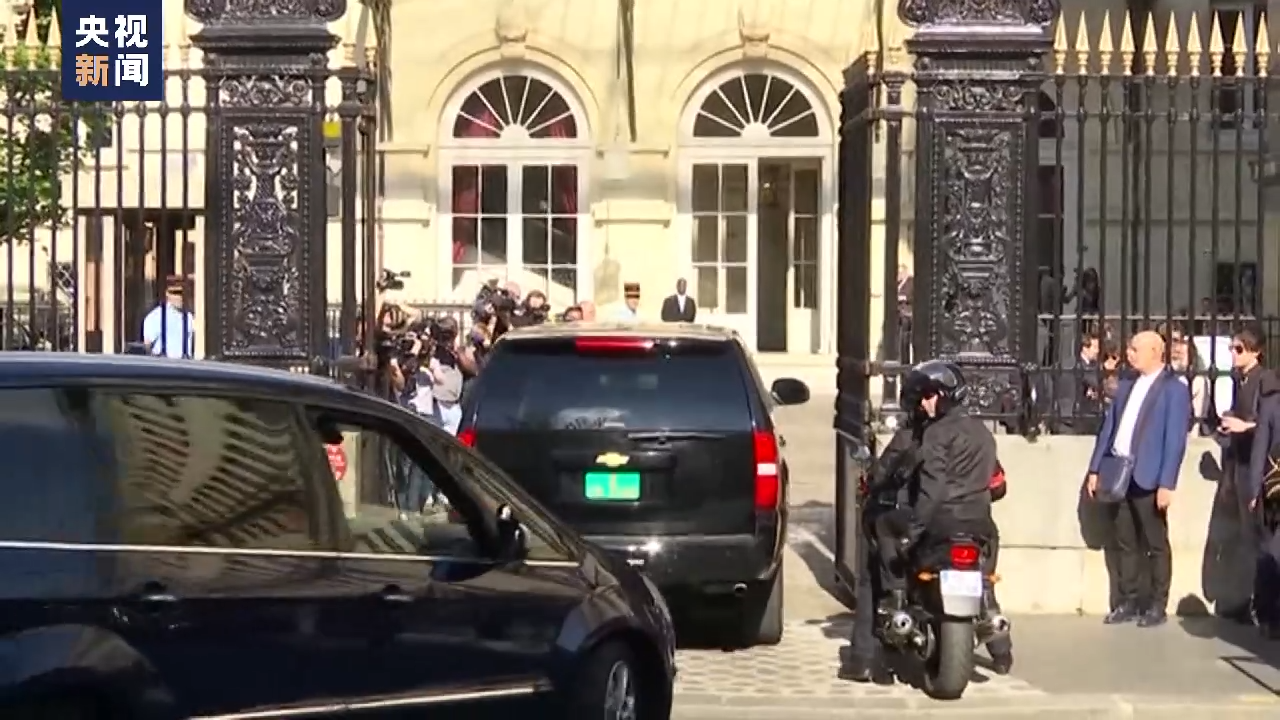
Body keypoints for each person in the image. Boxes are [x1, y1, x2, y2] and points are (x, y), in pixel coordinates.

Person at [843, 404, 1012, 683]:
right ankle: (1002, 652)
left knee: (877, 558)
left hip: (929, 524)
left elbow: (883, 473)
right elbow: (999, 486)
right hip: (976, 526)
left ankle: (866, 651)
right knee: (984, 582)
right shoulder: (977, 436)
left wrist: (876, 485)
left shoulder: (916, 436)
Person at [1086, 330, 1189, 627]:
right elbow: (1108, 429)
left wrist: (1167, 483)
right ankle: (1127, 601)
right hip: (1119, 473)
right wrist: (1095, 469)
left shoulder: (1173, 389)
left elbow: (1175, 441)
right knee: (1125, 541)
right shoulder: (1127, 385)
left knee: (1155, 543)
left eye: (1135, 349)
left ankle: (1157, 604)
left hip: (1149, 476)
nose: (1129, 354)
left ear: (1155, 352)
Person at [1213, 325, 1274, 623]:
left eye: (1239, 349)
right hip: (1239, 465)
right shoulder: (1240, 380)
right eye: (1232, 348)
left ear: (1256, 351)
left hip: (1257, 468)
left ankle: (1263, 605)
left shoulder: (1266, 379)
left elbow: (1270, 424)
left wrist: (1244, 426)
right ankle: (1245, 601)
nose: (1234, 354)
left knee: (1260, 539)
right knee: (1244, 538)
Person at [141, 275, 195, 358]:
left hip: (184, 363)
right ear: (167, 294)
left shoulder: (189, 317)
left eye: (182, 293)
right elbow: (147, 347)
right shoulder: (155, 317)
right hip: (162, 363)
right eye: (175, 293)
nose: (179, 297)